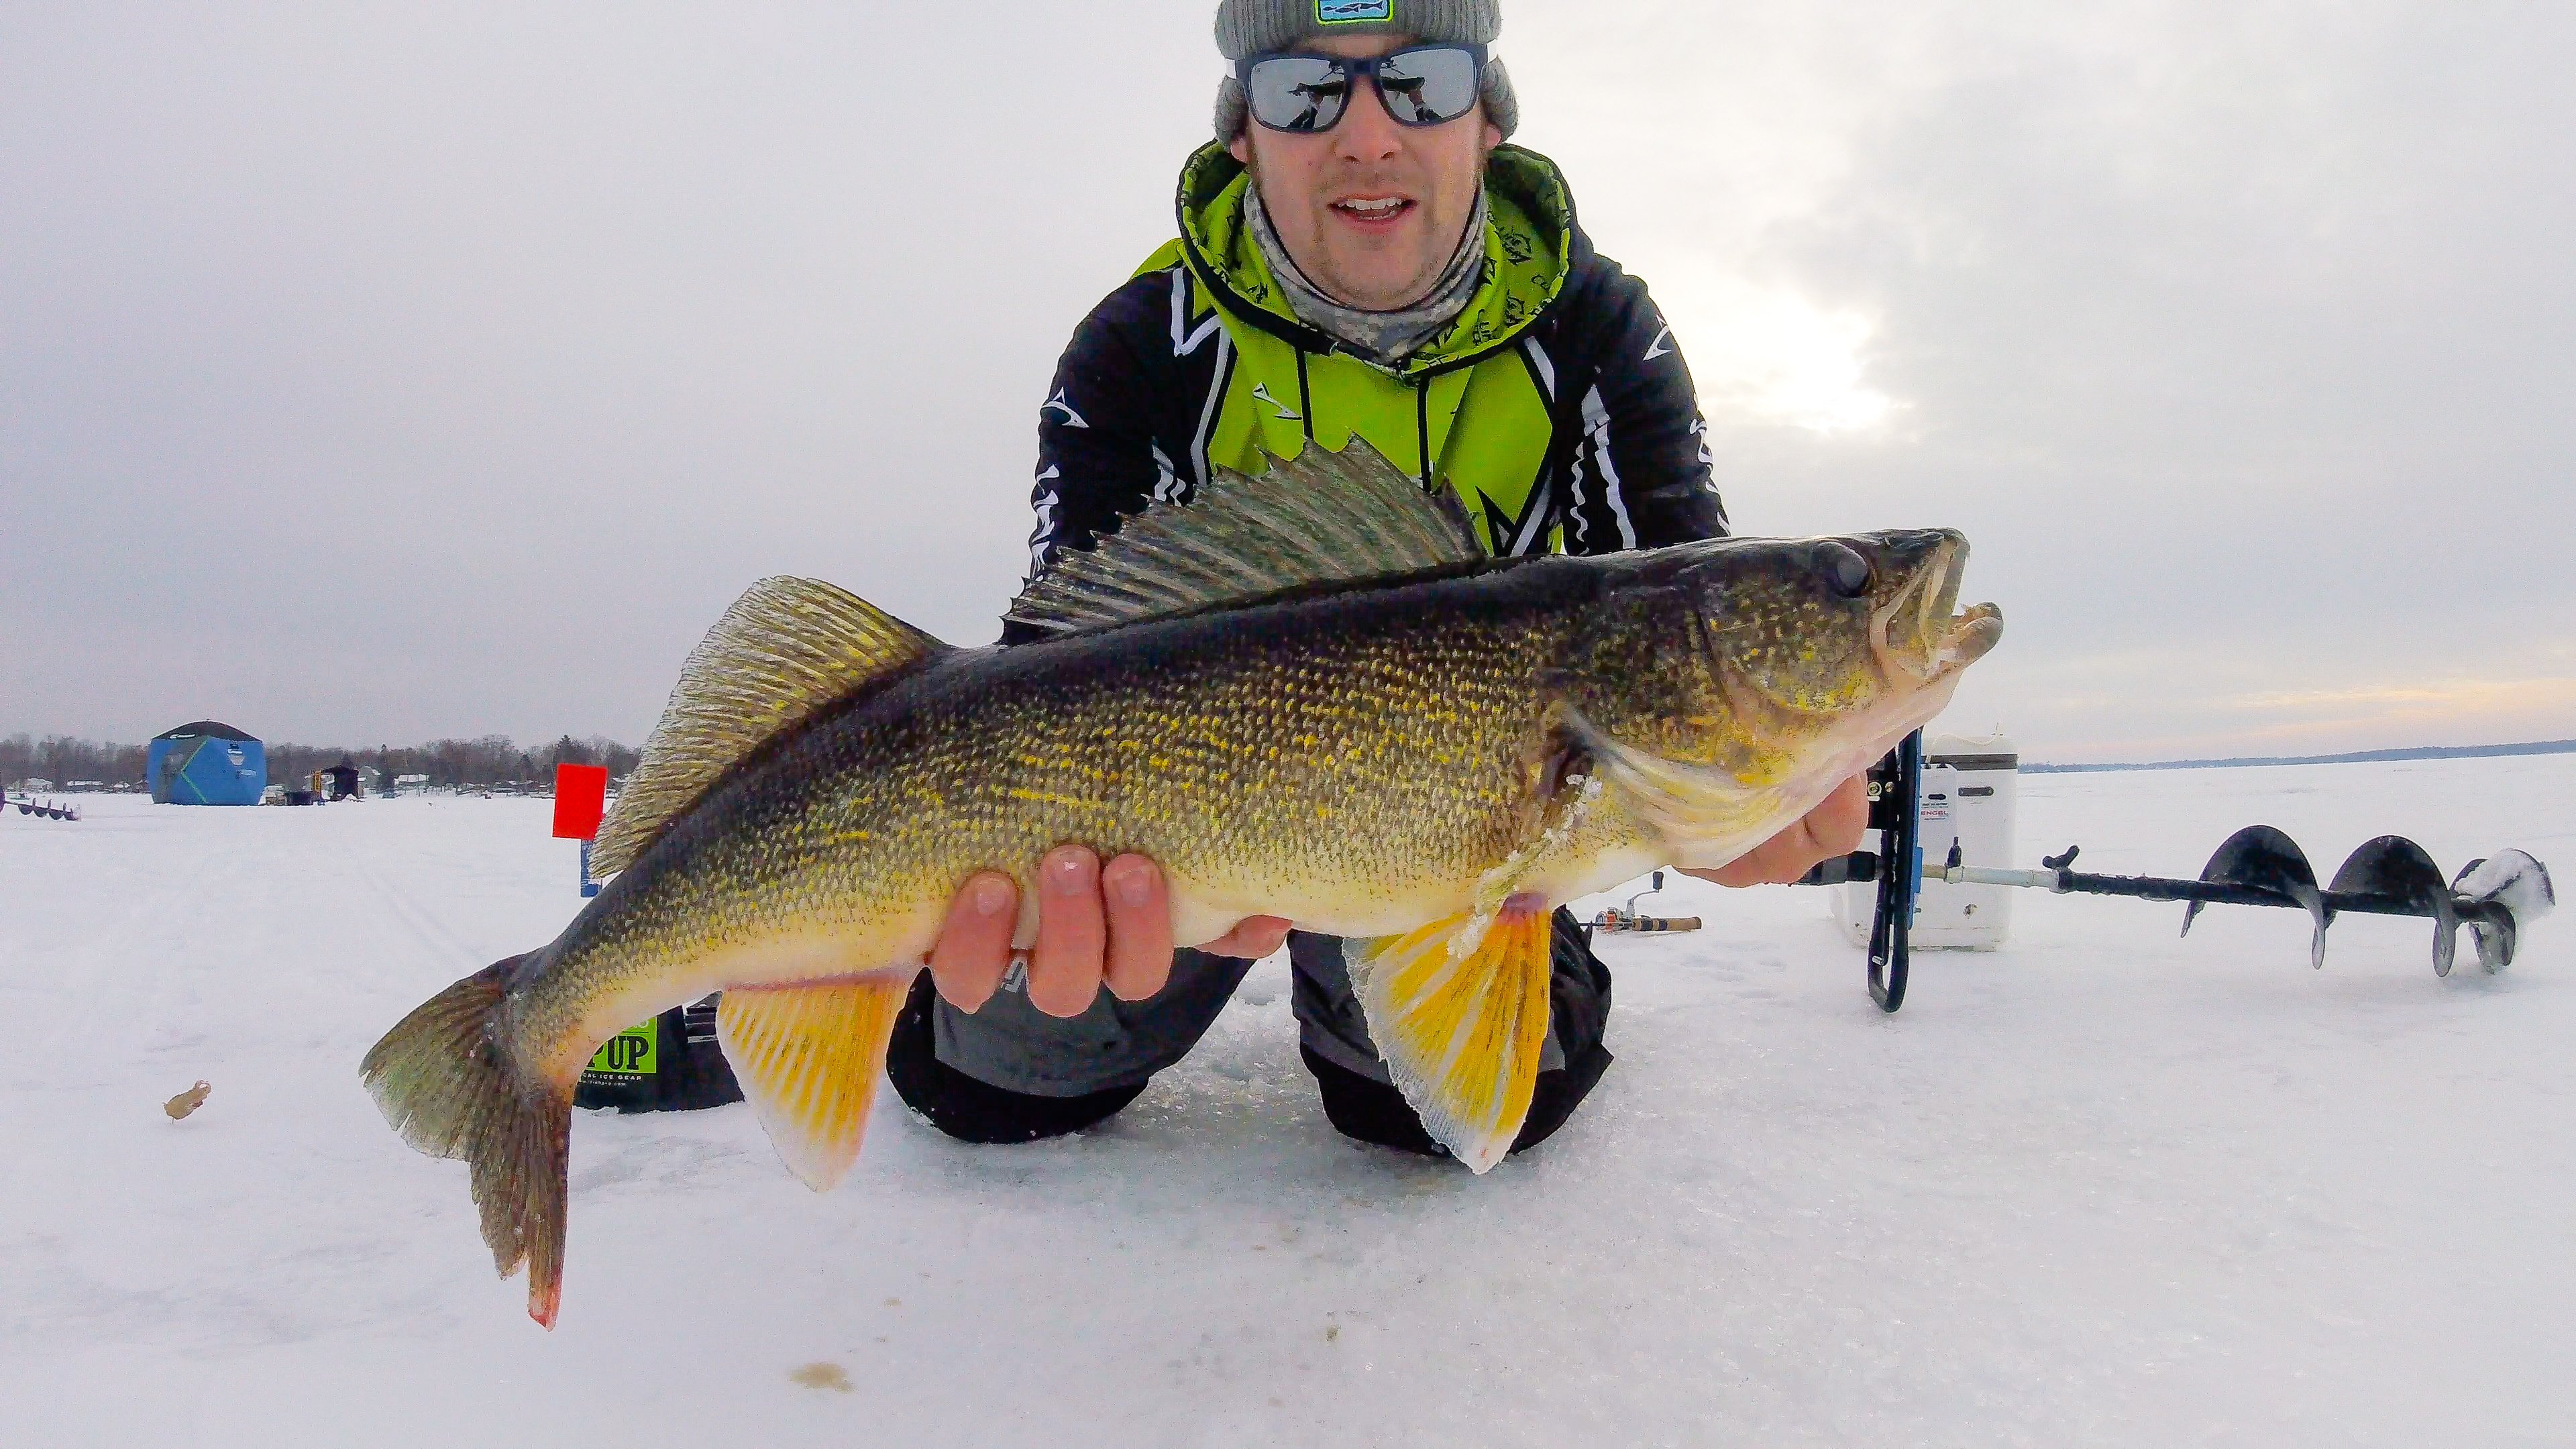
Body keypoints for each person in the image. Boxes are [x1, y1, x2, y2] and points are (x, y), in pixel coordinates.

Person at [884, 0, 1866, 1158]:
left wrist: (1739, 786)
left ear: (1487, 123)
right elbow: (1062, 658)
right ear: (1242, 132)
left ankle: (1376, 987)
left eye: (1423, 83)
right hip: (1175, 830)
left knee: (1422, 1113)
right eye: (1306, 90)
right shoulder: (1141, 347)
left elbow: (1673, 604)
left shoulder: (1599, 333)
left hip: (1470, 825)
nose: (1367, 136)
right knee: (990, 1084)